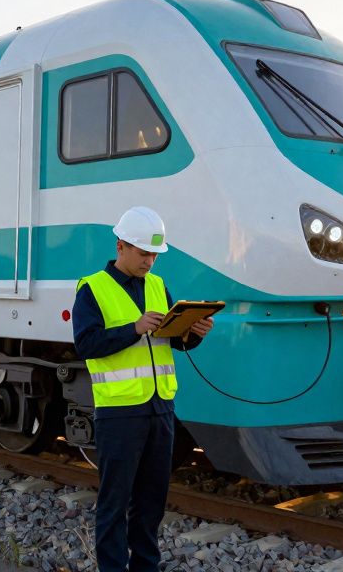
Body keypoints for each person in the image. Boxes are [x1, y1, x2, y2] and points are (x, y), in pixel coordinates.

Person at [72, 206, 214, 572]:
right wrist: (133, 328)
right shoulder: (92, 289)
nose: (150, 261)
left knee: (152, 500)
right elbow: (86, 345)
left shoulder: (157, 286)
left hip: (161, 409)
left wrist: (192, 333)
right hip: (119, 412)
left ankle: (146, 567)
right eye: (143, 253)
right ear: (121, 246)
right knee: (114, 502)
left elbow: (170, 343)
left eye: (154, 254)